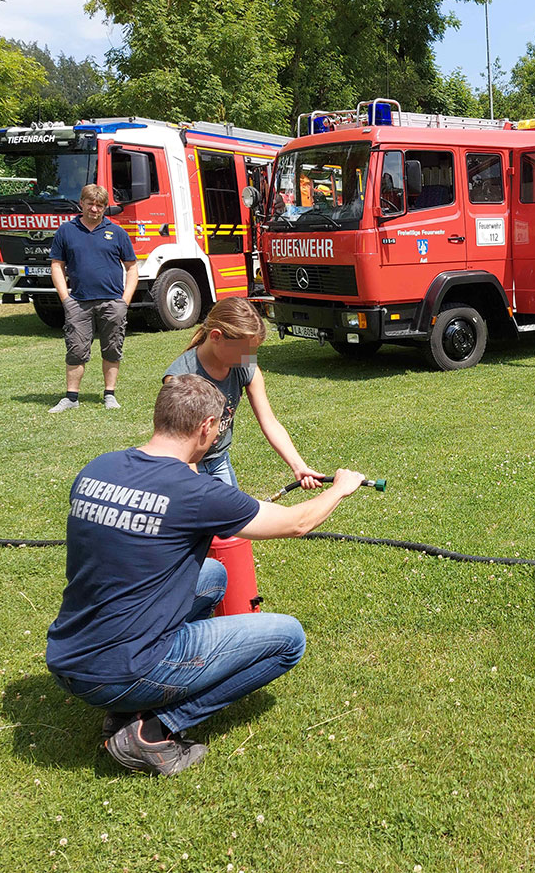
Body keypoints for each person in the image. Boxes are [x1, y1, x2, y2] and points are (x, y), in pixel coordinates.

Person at [46, 374, 365, 776]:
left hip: (68, 657)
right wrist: (339, 488)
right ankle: (154, 730)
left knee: (212, 574)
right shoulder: (195, 493)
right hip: (121, 669)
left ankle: (128, 703)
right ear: (206, 428)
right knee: (288, 639)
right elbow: (296, 523)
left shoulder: (98, 467)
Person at [164, 296, 322, 490]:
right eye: (243, 351)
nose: (249, 358)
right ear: (215, 337)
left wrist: (299, 466)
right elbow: (181, 447)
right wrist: (196, 489)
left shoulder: (245, 365)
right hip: (187, 465)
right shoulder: (180, 378)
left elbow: (269, 422)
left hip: (220, 460)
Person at [47, 183, 139, 413]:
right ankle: (71, 398)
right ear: (81, 203)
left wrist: (124, 301)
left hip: (112, 302)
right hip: (78, 301)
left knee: (112, 348)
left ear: (105, 207)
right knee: (76, 350)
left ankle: (109, 395)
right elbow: (57, 265)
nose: (95, 209)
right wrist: (66, 298)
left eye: (99, 205)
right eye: (90, 204)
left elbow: (132, 268)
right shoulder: (66, 231)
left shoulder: (117, 232)